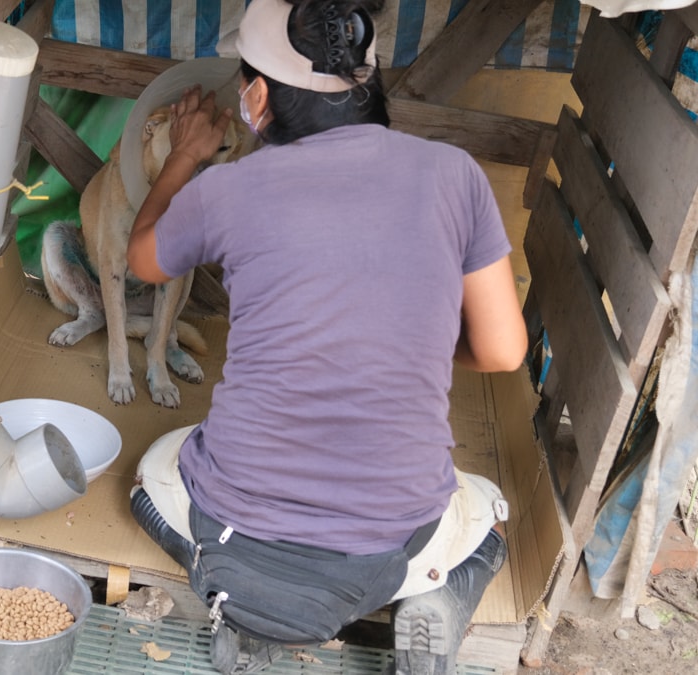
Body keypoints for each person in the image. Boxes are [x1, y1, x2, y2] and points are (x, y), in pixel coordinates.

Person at [123, 0, 528, 674]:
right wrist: (413, 339)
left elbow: (143, 259)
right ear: (367, 78)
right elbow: (502, 350)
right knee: (488, 510)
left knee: (150, 472)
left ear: (256, 96)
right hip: (386, 552)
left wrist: (186, 155)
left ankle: (240, 603)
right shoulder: (455, 175)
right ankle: (436, 596)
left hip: (233, 531)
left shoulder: (228, 188)